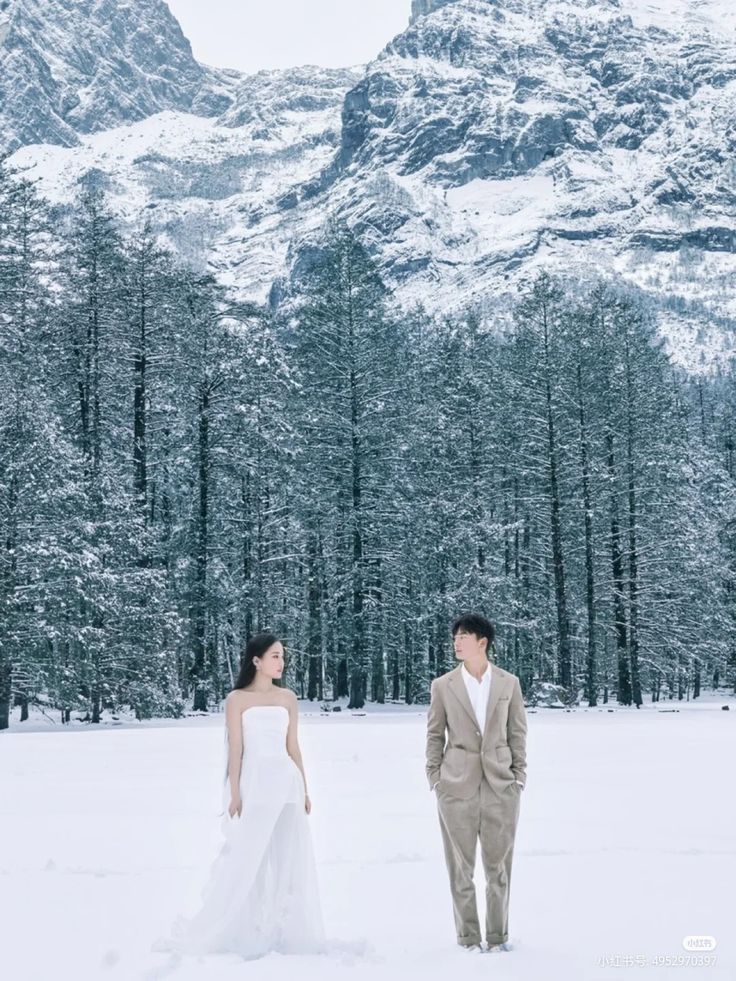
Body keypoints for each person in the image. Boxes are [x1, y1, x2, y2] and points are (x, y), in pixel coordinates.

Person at [154, 632, 326, 960]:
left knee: (288, 856)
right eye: (275, 656)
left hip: (286, 783)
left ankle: (284, 929)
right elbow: (236, 748)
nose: (281, 662)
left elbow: (293, 746)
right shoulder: (237, 699)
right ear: (256, 661)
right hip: (256, 783)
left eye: (282, 656)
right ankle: (244, 925)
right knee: (250, 856)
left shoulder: (287, 697)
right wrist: (234, 793)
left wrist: (304, 787)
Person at [426, 612, 527, 953]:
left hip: (502, 787)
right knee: (460, 870)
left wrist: (519, 777)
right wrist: (435, 778)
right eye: (455, 636)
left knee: (499, 869)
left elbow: (517, 733)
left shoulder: (508, 683)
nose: (456, 641)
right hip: (455, 787)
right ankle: (468, 939)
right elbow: (434, 734)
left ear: (482, 642)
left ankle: (498, 938)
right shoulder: (443, 685)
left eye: (463, 636)